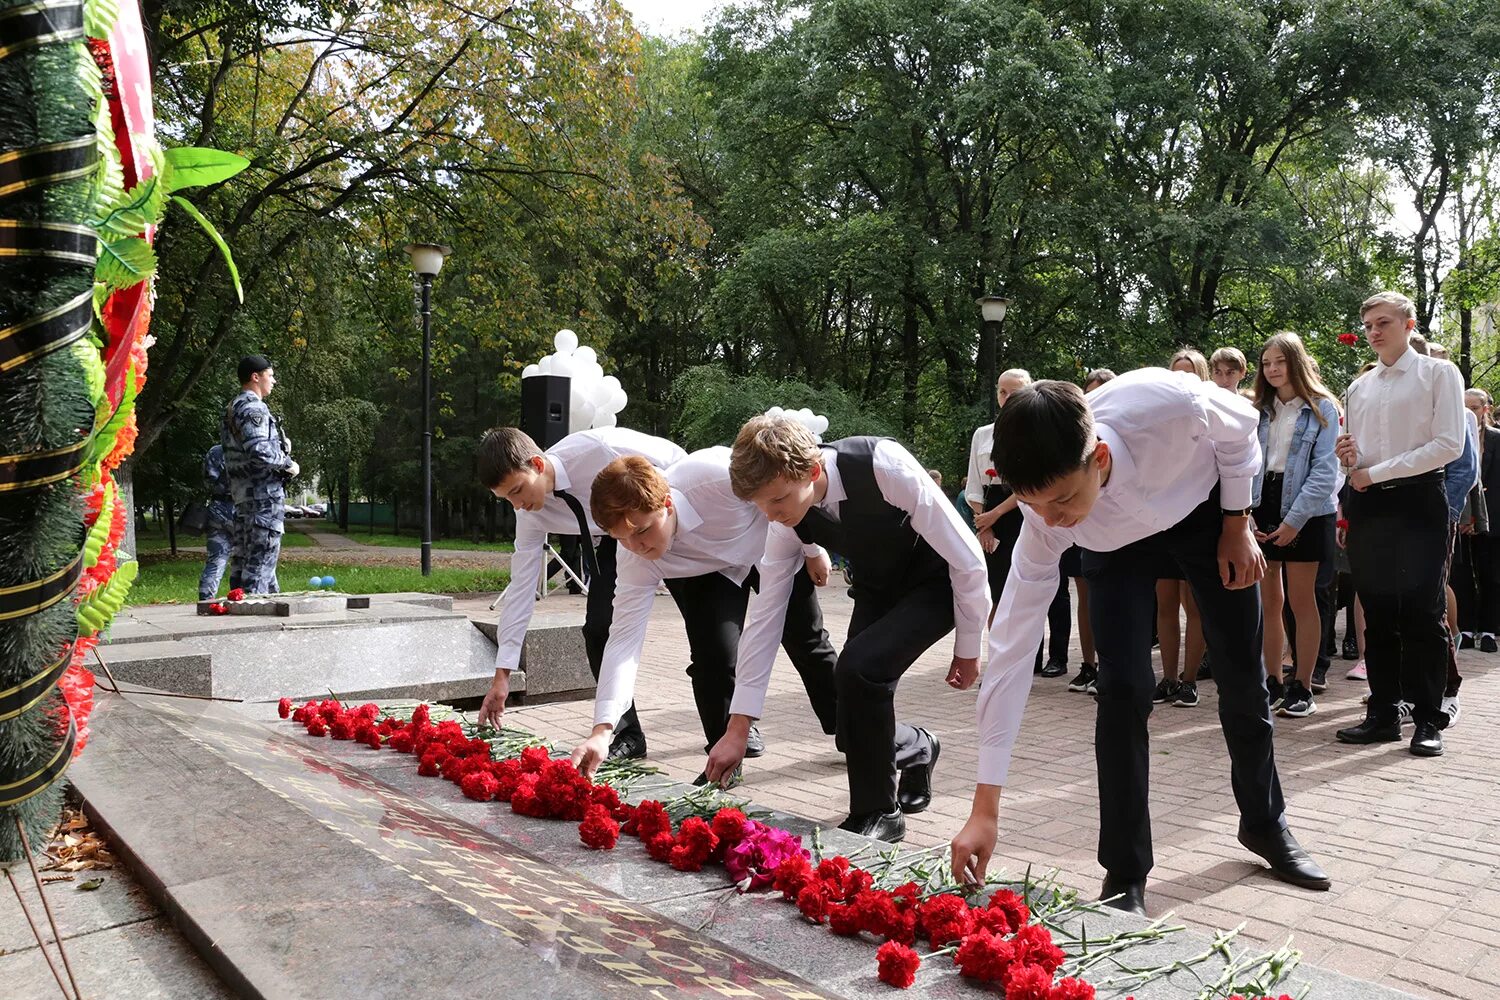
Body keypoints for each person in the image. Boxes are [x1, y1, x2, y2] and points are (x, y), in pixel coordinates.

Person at [951, 371, 1329, 916]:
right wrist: (985, 806)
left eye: (1061, 500)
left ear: (1098, 457)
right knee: (1122, 691)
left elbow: (1242, 430)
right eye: (1036, 506)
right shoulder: (1047, 519)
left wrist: (1236, 521)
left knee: (1243, 676)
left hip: (1203, 515)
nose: (1052, 521)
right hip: (1113, 548)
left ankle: (1265, 825)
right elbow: (1010, 647)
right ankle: (1125, 871)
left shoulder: (1167, 404)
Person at [716, 417, 989, 842]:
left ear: (811, 470)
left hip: (936, 583)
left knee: (857, 671)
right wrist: (738, 726)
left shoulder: (882, 464)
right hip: (877, 587)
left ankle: (879, 812)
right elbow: (767, 616)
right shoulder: (787, 520)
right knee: (851, 720)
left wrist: (969, 646)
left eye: (778, 500)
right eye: (762, 506)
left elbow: (967, 557)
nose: (772, 515)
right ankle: (917, 746)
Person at [571, 450, 841, 782]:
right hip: (707, 571)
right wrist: (603, 728)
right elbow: (624, 639)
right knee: (713, 657)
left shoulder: (715, 475)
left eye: (641, 531)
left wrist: (812, 549)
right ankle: (724, 761)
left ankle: (852, 731)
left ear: (666, 504)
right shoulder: (634, 558)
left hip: (771, 547)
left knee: (807, 641)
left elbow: (782, 489)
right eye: (620, 539)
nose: (635, 546)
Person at [475, 426, 686, 760]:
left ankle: (736, 721)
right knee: (599, 630)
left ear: (538, 464)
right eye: (507, 499)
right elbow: (521, 588)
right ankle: (627, 734)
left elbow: (677, 463)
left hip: (664, 522)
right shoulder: (528, 513)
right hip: (616, 541)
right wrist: (502, 676)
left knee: (705, 625)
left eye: (518, 490)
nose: (517, 505)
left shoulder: (599, 449)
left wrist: (674, 521)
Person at [1335, 292, 1465, 758]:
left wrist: (1374, 471)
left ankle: (1429, 718)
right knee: (1378, 611)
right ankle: (1383, 713)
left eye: (1383, 322)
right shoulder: (1359, 386)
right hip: (1368, 503)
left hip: (1418, 502)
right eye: (1368, 323)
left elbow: (1449, 444)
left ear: (1409, 325)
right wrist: (1350, 457)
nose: (1373, 331)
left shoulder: (1439, 373)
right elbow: (1359, 454)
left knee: (1422, 613)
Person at [1249, 333, 1341, 719]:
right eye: (1266, 363)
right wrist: (1246, 513)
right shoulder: (1256, 409)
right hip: (1262, 504)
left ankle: (1301, 685)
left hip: (1309, 508)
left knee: (1302, 602)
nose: (1272, 370)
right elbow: (1245, 464)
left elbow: (1324, 471)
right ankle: (1271, 680)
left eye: (1279, 362)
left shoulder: (1322, 408)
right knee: (1270, 602)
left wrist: (1293, 520)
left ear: (1296, 362)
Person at [968, 370, 1071, 677]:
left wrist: (995, 515)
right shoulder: (983, 434)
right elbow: (975, 483)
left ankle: (1057, 657)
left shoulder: (1042, 431)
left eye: (1014, 392)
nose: (1007, 398)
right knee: (999, 591)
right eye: (1002, 392)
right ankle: (1013, 659)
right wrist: (984, 525)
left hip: (1029, 510)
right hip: (990, 516)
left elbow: (1033, 487)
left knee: (1044, 588)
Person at [1157, 349, 1211, 706]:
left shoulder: (1213, 417)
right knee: (1164, 604)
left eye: (1189, 374)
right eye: (1176, 373)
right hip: (1162, 522)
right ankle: (1168, 678)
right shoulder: (1157, 420)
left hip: (1199, 521)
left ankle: (1189, 680)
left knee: (1195, 606)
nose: (1182, 380)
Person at [220, 355, 297, 595]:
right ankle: (257, 619)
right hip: (263, 497)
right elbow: (258, 451)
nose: (273, 381)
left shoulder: (233, 408)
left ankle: (247, 611)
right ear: (256, 377)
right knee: (260, 564)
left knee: (245, 564)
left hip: (243, 497)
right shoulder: (255, 408)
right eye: (270, 376)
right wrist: (288, 463)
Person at [1456, 388, 1500, 654]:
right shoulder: (1456, 438)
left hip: (1492, 517)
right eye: (1465, 407)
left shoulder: (1496, 439)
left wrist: (1483, 514)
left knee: (1491, 575)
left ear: (1485, 409)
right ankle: (1465, 626)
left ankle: (1488, 629)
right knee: (1460, 575)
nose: (1470, 412)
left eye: (1475, 407)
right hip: (1461, 516)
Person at [198, 444, 237, 601]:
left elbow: (206, 478)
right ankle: (241, 597)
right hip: (239, 509)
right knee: (245, 558)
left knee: (216, 559)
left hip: (216, 510)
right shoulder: (245, 450)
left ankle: (205, 599)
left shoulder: (213, 451)